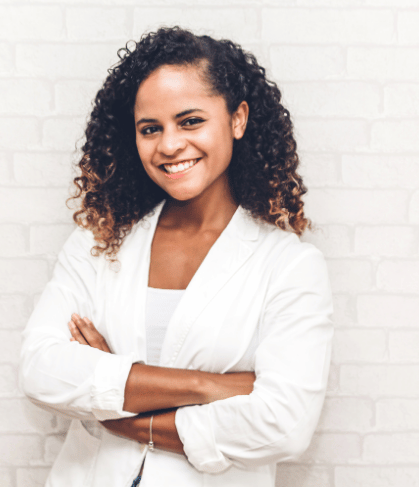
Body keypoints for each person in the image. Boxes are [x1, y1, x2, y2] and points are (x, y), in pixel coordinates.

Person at [19, 26, 333, 487]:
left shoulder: (289, 266)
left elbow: (284, 425)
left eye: (190, 121)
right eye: (150, 129)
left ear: (238, 119)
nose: (169, 145)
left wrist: (115, 401)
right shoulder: (97, 243)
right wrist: (209, 385)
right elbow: (40, 369)